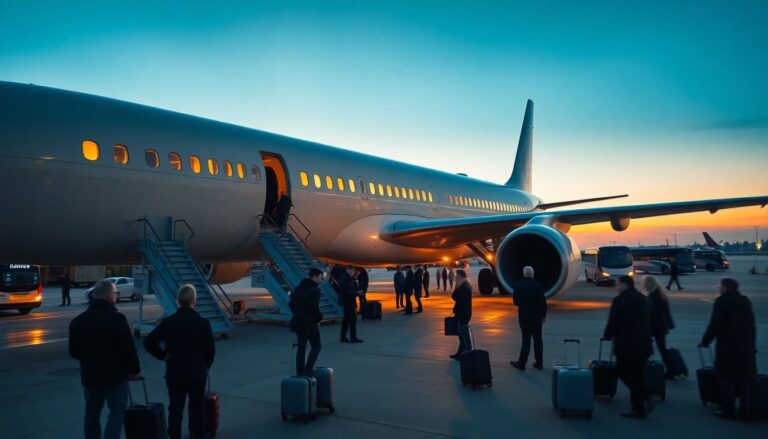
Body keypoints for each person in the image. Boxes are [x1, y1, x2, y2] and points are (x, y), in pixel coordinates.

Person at [69, 280, 141, 439]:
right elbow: (128, 350)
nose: (116, 296)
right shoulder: (117, 319)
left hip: (90, 377)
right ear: (109, 296)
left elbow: (74, 352)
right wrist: (134, 370)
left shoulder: (77, 321)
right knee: (116, 413)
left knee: (91, 415)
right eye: (115, 293)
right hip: (114, 377)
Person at [144, 284, 215, 439]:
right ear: (194, 301)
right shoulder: (203, 323)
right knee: (197, 409)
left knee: (175, 410)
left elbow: (149, 342)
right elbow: (210, 350)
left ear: (178, 301)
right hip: (197, 373)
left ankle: (174, 436)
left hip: (175, 373)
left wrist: (163, 355)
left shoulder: (168, 322)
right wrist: (206, 366)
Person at [699, 278, 756, 421]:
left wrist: (705, 341)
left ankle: (728, 410)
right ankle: (745, 412)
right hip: (746, 348)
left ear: (725, 288)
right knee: (744, 380)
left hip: (728, 348)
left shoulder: (722, 303)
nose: (718, 288)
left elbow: (715, 325)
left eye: (720, 286)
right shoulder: (745, 302)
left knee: (726, 379)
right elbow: (752, 326)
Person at [603, 275, 653, 419]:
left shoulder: (620, 300)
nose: (617, 287)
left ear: (625, 285)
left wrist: (607, 335)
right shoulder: (643, 298)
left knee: (623, 372)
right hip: (644, 344)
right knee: (637, 374)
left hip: (627, 345)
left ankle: (644, 399)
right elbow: (652, 319)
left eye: (618, 285)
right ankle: (640, 407)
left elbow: (613, 320)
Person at [510, 266, 547, 371]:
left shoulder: (518, 286)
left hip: (524, 317)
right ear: (532, 274)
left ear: (524, 274)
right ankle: (539, 363)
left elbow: (515, 302)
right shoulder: (538, 286)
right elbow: (543, 303)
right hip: (537, 318)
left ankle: (522, 363)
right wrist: (543, 316)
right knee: (538, 340)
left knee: (526, 340)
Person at [289, 268, 324, 376]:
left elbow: (291, 304)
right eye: (320, 278)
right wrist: (320, 318)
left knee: (302, 347)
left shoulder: (298, 288)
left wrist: (298, 313)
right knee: (316, 346)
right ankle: (308, 369)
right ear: (316, 276)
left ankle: (300, 373)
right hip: (309, 323)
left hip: (298, 322)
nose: (320, 280)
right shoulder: (315, 290)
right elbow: (314, 308)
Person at [643, 276, 676, 379]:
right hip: (661, 326)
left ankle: (670, 371)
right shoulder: (659, 293)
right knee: (662, 349)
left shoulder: (654, 295)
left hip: (657, 327)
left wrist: (650, 330)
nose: (643, 286)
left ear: (649, 283)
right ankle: (671, 371)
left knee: (659, 349)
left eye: (645, 283)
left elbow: (654, 314)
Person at [450, 269, 473, 360]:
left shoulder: (464, 287)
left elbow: (457, 298)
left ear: (461, 276)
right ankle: (460, 353)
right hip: (463, 313)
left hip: (463, 314)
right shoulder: (464, 286)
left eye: (457, 276)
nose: (455, 277)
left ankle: (468, 353)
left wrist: (456, 288)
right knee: (462, 335)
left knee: (464, 335)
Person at [338, 266, 363, 343]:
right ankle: (353, 337)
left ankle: (343, 337)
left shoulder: (347, 278)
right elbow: (346, 290)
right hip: (348, 302)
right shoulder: (344, 278)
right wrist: (357, 293)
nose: (354, 272)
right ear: (348, 270)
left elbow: (349, 289)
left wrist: (357, 291)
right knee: (352, 320)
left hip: (348, 302)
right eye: (353, 270)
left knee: (346, 320)